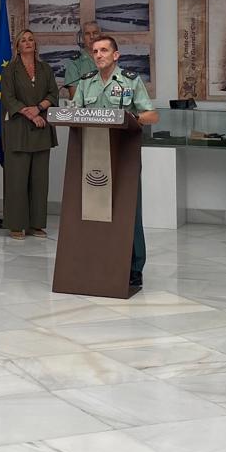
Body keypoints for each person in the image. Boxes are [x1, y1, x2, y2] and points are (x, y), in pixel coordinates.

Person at [69, 34, 158, 288]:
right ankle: (97, 259)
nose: (98, 55)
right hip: (92, 156)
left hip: (124, 155)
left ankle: (134, 266)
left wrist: (133, 118)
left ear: (116, 55)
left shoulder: (130, 81)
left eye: (104, 50)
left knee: (129, 210)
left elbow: (151, 115)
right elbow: (74, 111)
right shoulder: (86, 83)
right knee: (93, 211)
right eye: (95, 51)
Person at [0, 29, 59, 240]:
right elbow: (8, 98)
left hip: (42, 131)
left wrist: (39, 107)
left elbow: (53, 93)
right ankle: (16, 225)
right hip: (18, 130)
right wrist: (32, 114)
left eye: (31, 39)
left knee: (39, 181)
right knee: (17, 180)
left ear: (36, 44)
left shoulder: (45, 69)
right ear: (17, 46)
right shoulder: (10, 71)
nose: (27, 42)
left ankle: (36, 224)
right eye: (23, 40)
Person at [61, 20, 102, 98]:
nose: (92, 37)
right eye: (87, 34)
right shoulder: (75, 63)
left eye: (95, 33)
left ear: (100, 36)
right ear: (83, 38)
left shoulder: (109, 59)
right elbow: (75, 97)